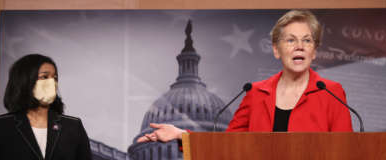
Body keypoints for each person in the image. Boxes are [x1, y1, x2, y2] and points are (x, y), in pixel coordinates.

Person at [137, 10, 353, 144]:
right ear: (276, 50)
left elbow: (347, 154)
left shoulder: (331, 93)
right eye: (290, 40)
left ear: (314, 51)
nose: (299, 47)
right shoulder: (256, 93)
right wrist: (181, 136)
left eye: (307, 40)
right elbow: (228, 147)